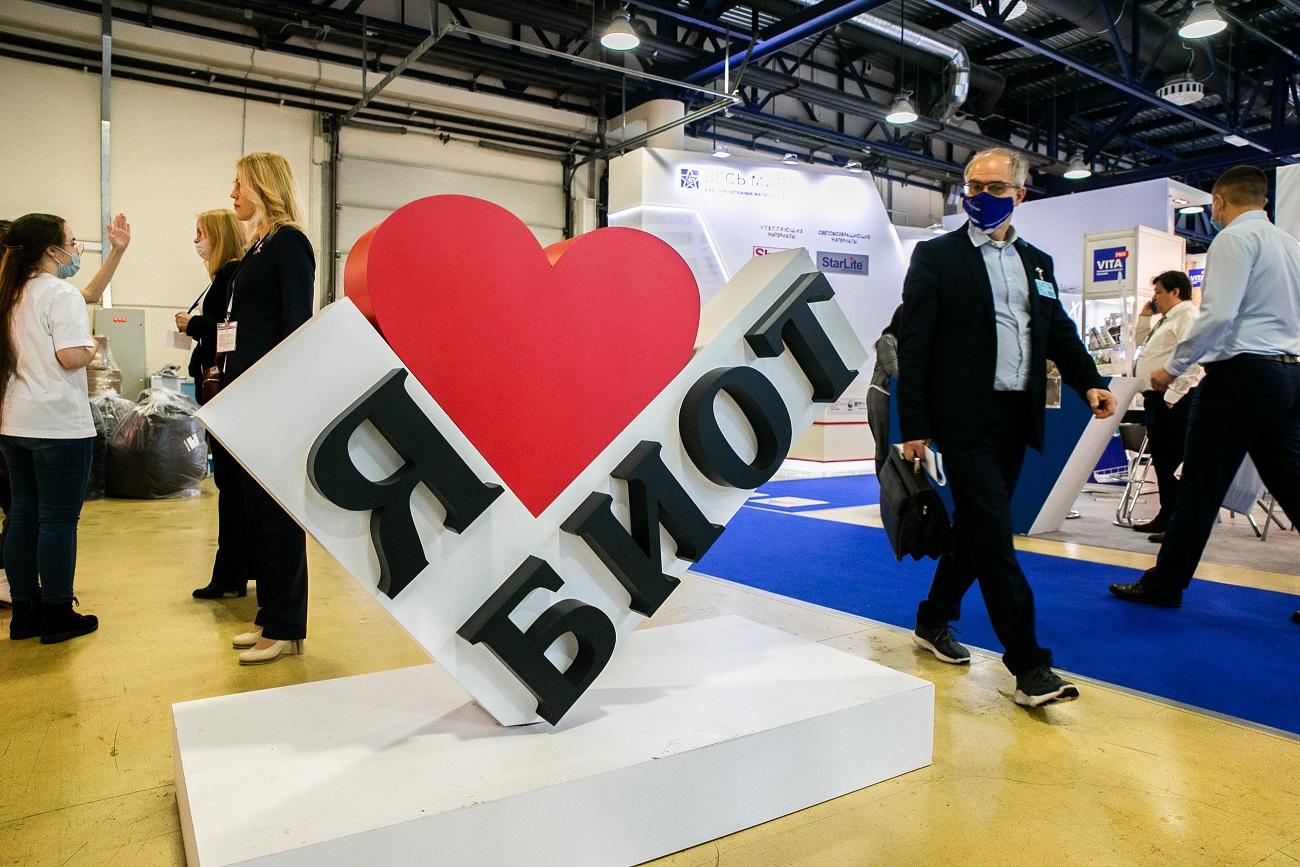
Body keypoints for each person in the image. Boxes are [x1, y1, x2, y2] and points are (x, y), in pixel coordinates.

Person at [896, 147, 1118, 708]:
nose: (981, 196)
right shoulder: (936, 256)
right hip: (962, 420)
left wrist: (1088, 382)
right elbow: (915, 345)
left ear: (1020, 194)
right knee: (996, 537)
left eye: (995, 188)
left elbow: (1058, 330)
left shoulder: (1036, 263)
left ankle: (933, 618)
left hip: (1016, 418)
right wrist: (914, 424)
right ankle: (1029, 666)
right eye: (973, 186)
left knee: (976, 530)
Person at [1110, 165, 1300, 614]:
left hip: (1242, 376)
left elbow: (1218, 315)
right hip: (1289, 375)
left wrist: (1173, 368)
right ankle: (1165, 581)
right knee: (1292, 484)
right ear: (1264, 201)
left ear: (1218, 202)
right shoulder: (1291, 246)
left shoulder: (1233, 239)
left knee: (1199, 484)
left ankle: (1165, 584)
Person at [0, 214, 121, 643]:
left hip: (15, 421)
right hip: (56, 425)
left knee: (22, 515)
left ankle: (24, 613)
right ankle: (56, 612)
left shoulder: (11, 293)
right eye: (72, 242)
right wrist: (90, 347)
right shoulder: (60, 293)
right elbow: (70, 356)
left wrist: (117, 252)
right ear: (51, 250)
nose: (75, 250)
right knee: (57, 521)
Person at [222, 152, 315, 664]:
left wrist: (278, 393)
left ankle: (285, 625)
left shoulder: (289, 243)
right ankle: (268, 613)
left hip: (271, 397)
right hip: (247, 394)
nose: (232, 193)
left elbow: (295, 326)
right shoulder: (258, 246)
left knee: (278, 516)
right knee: (256, 514)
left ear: (262, 185)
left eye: (239, 184)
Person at [175, 209, 249, 600]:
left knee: (231, 485)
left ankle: (231, 571)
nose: (196, 240)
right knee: (229, 485)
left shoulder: (231, 276)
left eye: (201, 233)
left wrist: (193, 326)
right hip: (213, 385)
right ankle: (233, 569)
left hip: (221, 386)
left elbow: (230, 332)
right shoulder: (222, 279)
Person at [1130, 270, 1202, 541]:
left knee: (1173, 460)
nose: (1155, 297)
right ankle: (1165, 514)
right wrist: (1145, 317)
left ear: (1175, 292)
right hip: (1156, 399)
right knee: (1161, 460)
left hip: (1174, 400)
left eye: (1159, 292)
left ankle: (1177, 522)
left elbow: (1192, 358)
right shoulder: (1166, 320)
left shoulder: (1187, 316)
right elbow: (1140, 343)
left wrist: (1173, 396)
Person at [867, 305, 904, 467]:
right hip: (881, 395)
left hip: (897, 396)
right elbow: (894, 371)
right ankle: (885, 478)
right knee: (883, 445)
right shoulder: (887, 340)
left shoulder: (907, 342)